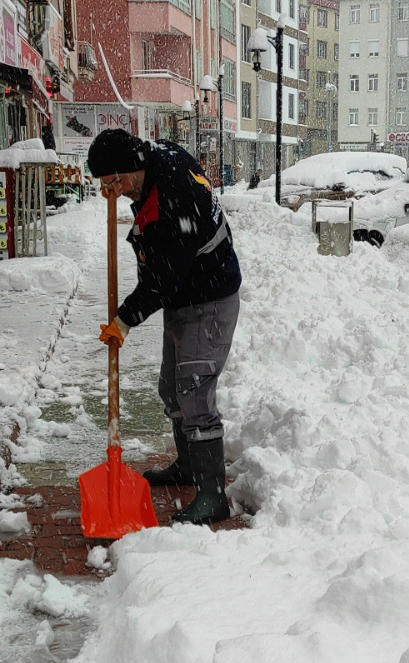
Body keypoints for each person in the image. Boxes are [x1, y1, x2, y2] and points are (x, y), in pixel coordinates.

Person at [88, 128, 243, 526]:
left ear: (130, 169)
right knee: (171, 388)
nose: (114, 192)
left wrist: (123, 320)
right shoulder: (154, 158)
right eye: (107, 185)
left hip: (208, 299)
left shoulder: (174, 197)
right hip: (187, 295)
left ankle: (213, 494)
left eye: (113, 183)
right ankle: (188, 467)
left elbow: (162, 279)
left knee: (194, 394)